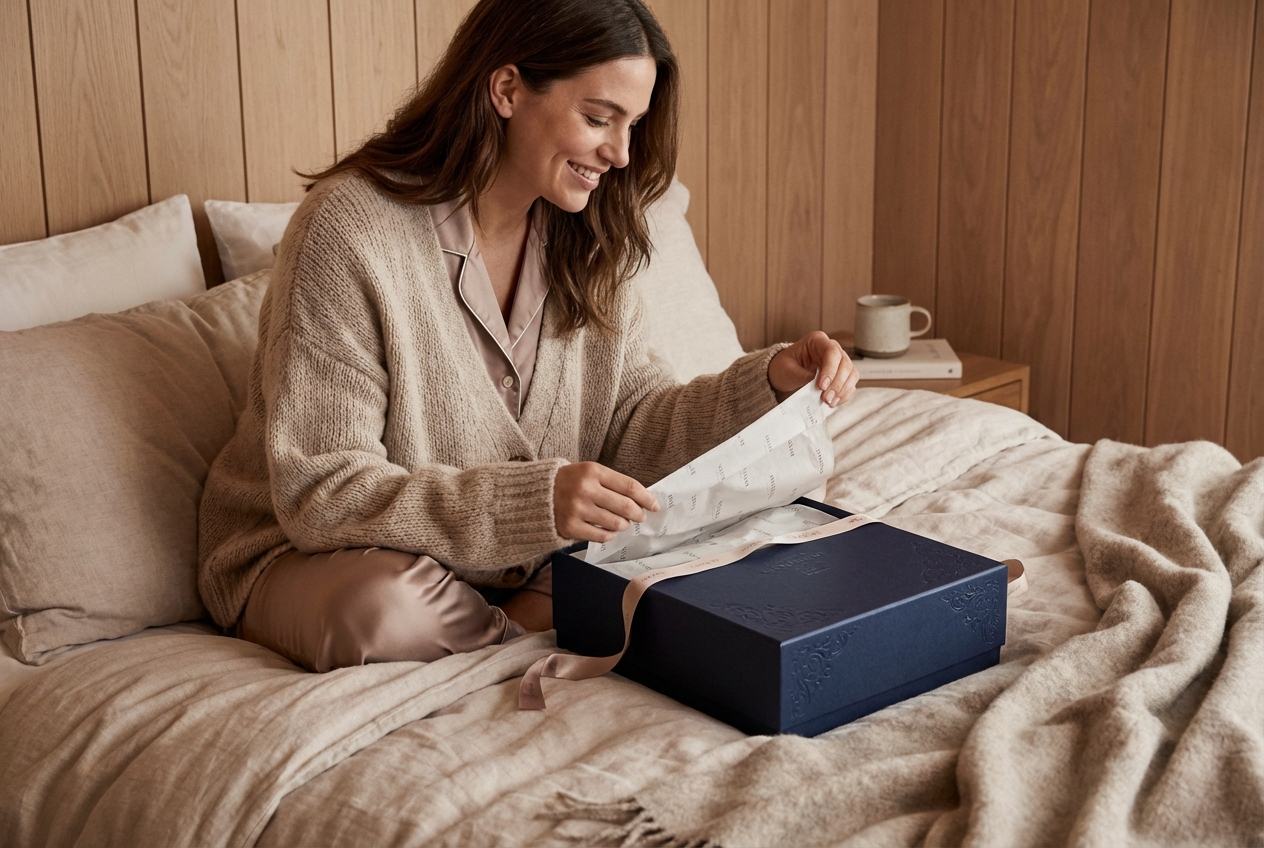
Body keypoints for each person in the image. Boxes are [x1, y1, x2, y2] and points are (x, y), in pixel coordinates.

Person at [196, 0, 858, 674]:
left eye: (633, 125)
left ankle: (534, 623)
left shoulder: (589, 233)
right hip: (314, 554)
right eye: (599, 119)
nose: (622, 154)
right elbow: (323, 493)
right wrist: (533, 506)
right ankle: (546, 628)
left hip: (518, 566)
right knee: (383, 611)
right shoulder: (350, 229)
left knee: (709, 536)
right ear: (507, 89)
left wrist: (769, 383)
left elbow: (634, 428)